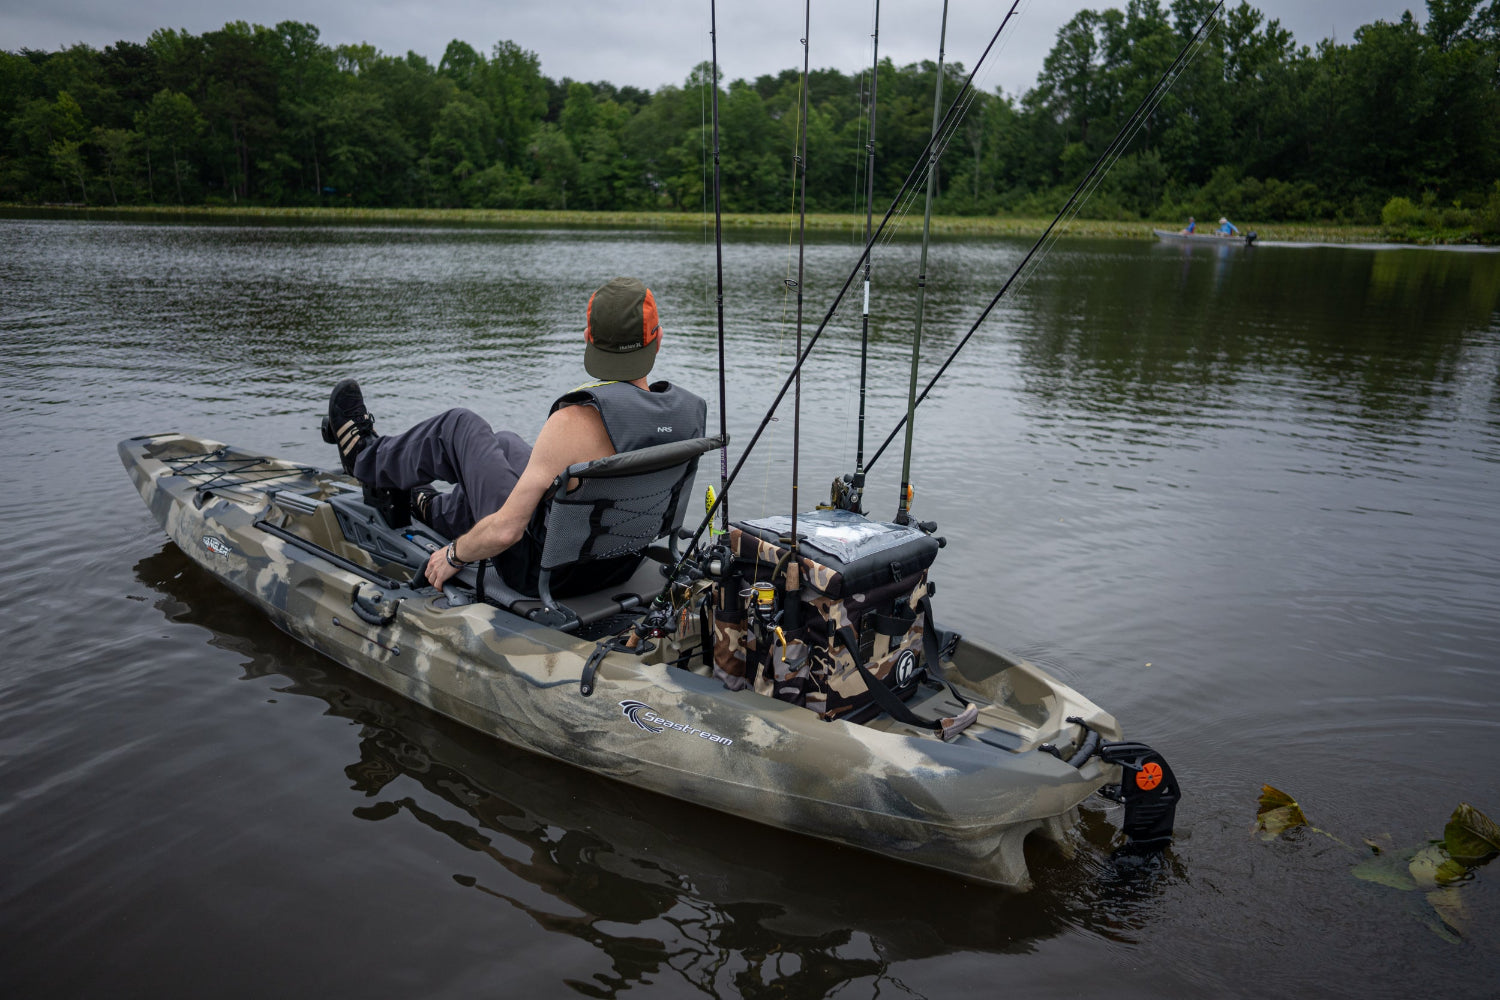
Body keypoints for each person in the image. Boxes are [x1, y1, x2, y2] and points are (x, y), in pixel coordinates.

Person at [322, 276, 707, 595]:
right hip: (617, 565)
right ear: (657, 339)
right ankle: (431, 508)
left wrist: (454, 555)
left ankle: (363, 458)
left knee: (460, 426)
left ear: (589, 337)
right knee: (505, 443)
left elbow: (508, 530)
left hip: (544, 573)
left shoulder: (575, 419)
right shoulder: (691, 412)